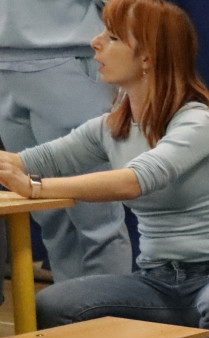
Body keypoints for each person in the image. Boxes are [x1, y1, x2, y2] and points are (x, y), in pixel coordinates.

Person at [0, 0, 209, 338]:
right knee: (52, 306)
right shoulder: (110, 126)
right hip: (156, 281)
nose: (95, 42)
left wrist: (35, 187)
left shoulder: (198, 121)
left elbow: (135, 179)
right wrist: (17, 169)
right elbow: (31, 159)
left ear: (148, 57)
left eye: (113, 37)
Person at [0, 0, 131, 283]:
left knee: (96, 218)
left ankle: (110, 319)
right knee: (49, 218)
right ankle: (73, 316)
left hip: (69, 57)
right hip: (6, 67)